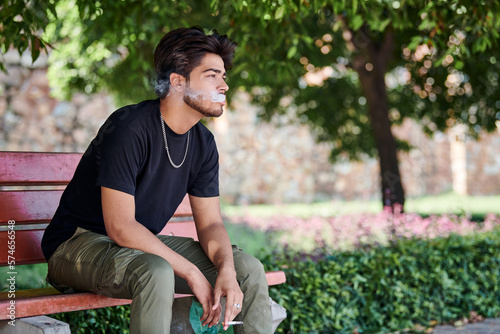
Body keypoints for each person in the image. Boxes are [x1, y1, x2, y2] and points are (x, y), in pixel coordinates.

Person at [41, 26, 273, 333]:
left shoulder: (203, 143)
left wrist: (227, 269)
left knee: (247, 269)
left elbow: (210, 225)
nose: (224, 85)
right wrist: (191, 272)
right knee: (157, 270)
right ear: (177, 82)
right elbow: (120, 227)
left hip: (134, 249)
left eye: (223, 76)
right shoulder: (129, 127)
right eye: (212, 75)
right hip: (76, 245)